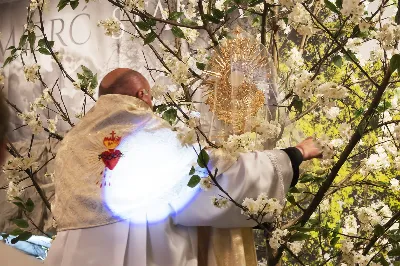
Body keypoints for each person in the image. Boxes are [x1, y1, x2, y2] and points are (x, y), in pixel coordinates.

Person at [46, 68, 322, 266]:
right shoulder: (149, 130)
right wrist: (294, 155)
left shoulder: (71, 144)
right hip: (144, 252)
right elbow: (214, 181)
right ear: (143, 94)